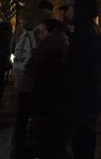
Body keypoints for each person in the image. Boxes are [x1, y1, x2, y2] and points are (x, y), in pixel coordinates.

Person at [55, 0, 101, 158]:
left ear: (79, 10)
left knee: (78, 147)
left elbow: (76, 72)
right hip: (88, 102)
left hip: (81, 103)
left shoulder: (82, 36)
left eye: (69, 9)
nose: (66, 13)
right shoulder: (90, 32)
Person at [13, 5, 48, 159]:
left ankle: (20, 142)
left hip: (22, 78)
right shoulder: (33, 35)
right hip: (29, 78)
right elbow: (31, 56)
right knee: (29, 112)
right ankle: (24, 144)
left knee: (23, 112)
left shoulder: (23, 33)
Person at [30, 19, 68, 159]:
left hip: (48, 99)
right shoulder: (54, 43)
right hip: (50, 99)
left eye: (42, 31)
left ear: (51, 32)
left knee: (47, 136)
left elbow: (42, 72)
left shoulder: (51, 46)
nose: (39, 34)